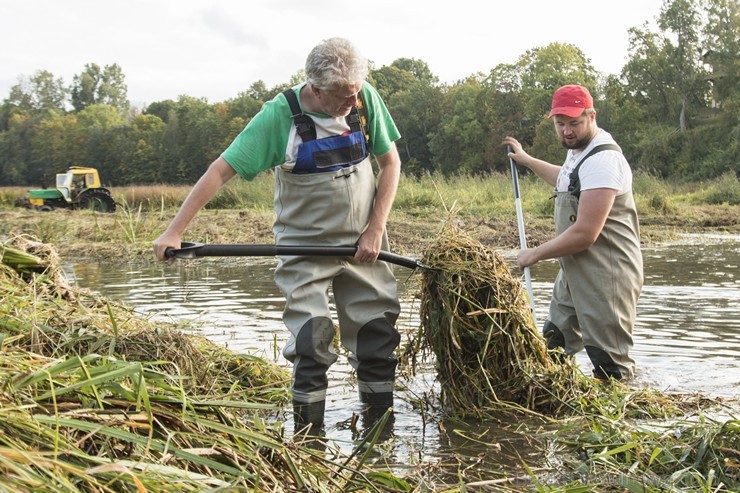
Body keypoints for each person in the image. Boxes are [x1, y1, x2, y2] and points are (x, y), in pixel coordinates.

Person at [153, 38, 403, 435]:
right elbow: (219, 171)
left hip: (364, 249)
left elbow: (391, 164)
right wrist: (175, 230)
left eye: (356, 94)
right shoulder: (277, 119)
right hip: (305, 250)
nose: (352, 104)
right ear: (316, 89)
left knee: (377, 338)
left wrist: (374, 230)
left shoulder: (364, 98)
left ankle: (381, 437)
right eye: (343, 97)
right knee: (312, 343)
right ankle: (309, 443)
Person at [503, 84, 643, 381]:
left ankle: (616, 418)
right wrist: (527, 161)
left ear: (592, 115)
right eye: (560, 124)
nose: (567, 131)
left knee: (609, 363)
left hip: (608, 275)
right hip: (575, 271)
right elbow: (567, 179)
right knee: (554, 342)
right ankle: (556, 412)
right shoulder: (579, 153)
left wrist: (535, 254)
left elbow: (585, 234)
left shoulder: (604, 160)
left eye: (574, 123)